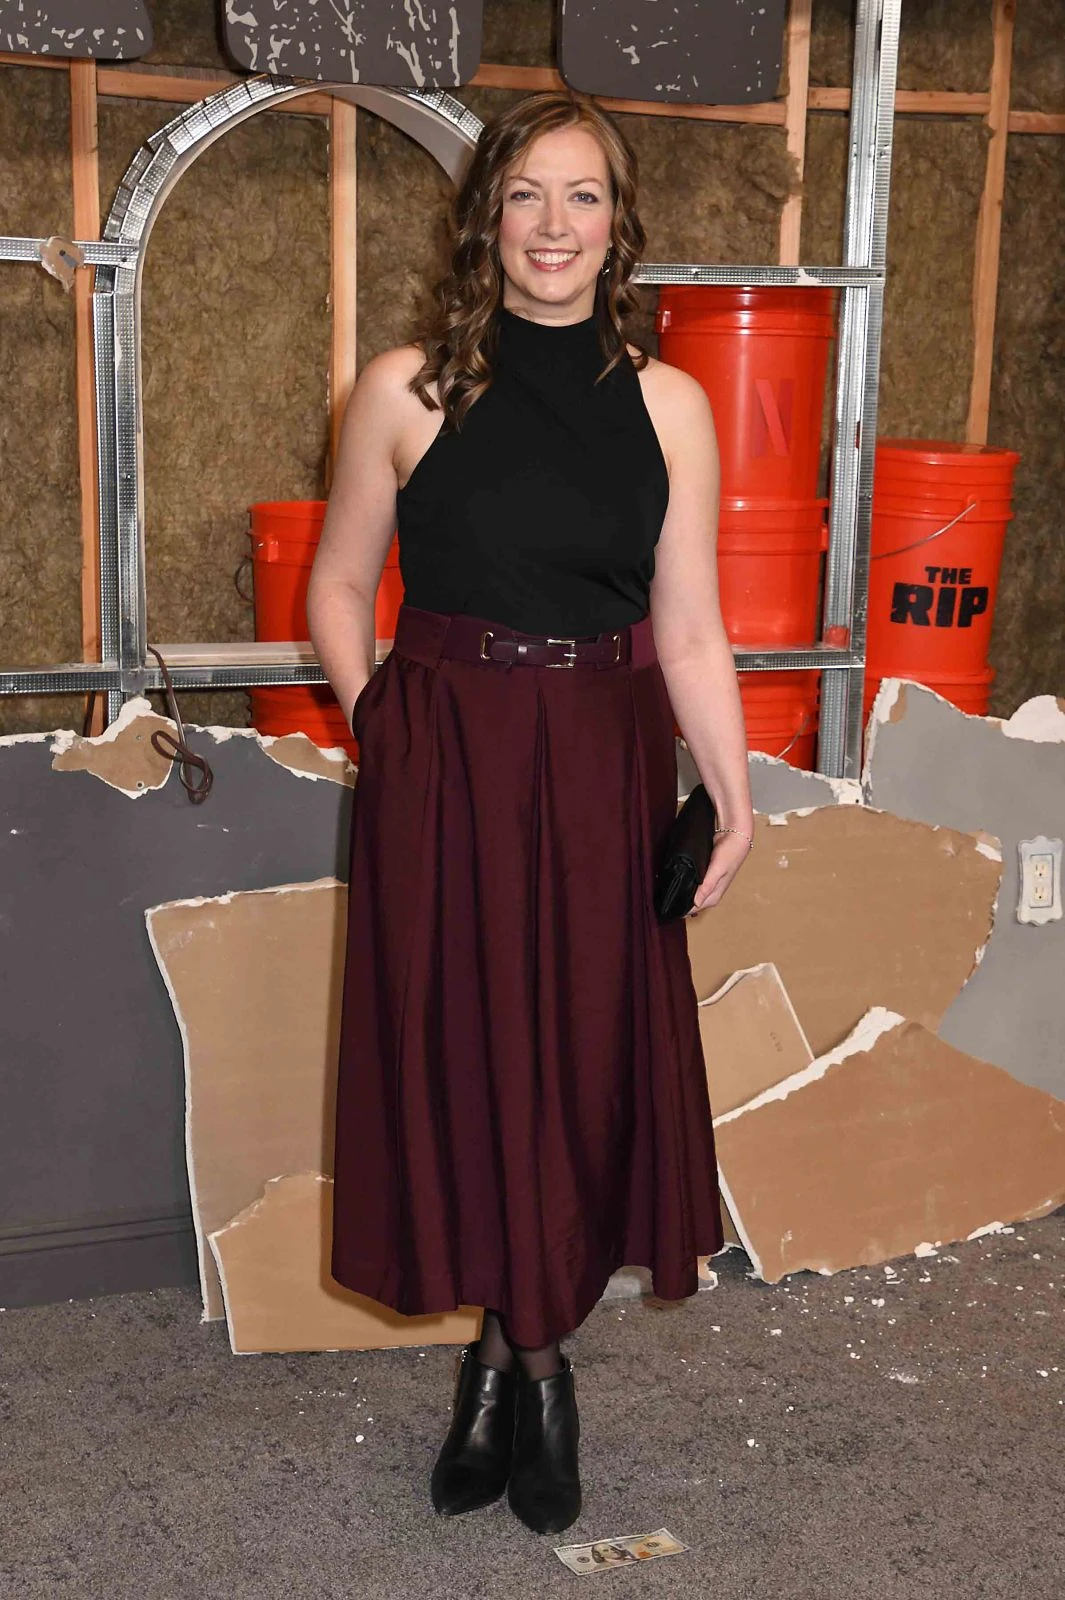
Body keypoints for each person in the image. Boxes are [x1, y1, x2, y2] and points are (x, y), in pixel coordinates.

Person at [307, 89, 753, 1537]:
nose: (554, 226)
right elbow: (336, 584)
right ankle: (534, 1375)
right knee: (471, 1053)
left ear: (620, 226)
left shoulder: (671, 405)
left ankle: (510, 1368)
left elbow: (691, 627)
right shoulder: (405, 391)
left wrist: (733, 795)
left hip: (605, 759)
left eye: (584, 196)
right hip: (446, 759)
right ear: (485, 215)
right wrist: (382, 723)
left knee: (574, 1064)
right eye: (527, 195)